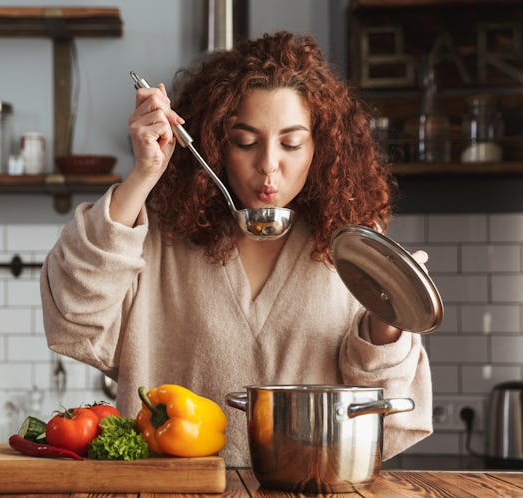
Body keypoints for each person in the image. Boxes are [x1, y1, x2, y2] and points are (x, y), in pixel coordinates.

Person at [40, 31, 432, 466]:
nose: (268, 164)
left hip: (308, 491)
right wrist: (143, 175)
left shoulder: (355, 249)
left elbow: (387, 409)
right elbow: (74, 316)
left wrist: (388, 320)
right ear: (215, 145)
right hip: (173, 493)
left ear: (320, 148)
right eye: (245, 141)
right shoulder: (157, 239)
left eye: (291, 143)